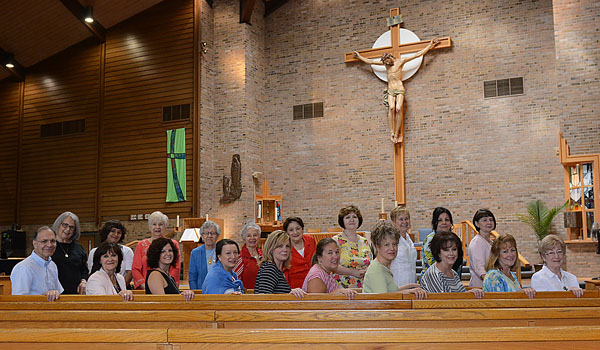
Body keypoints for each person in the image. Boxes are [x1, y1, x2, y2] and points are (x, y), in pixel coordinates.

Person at [353, 38, 440, 143]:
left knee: (398, 108)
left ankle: (397, 132)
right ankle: (391, 132)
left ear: (390, 57)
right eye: (384, 63)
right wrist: (359, 57)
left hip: (399, 89)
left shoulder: (400, 62)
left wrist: (430, 45)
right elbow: (371, 61)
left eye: (386, 61)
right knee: (391, 107)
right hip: (390, 89)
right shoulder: (386, 64)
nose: (385, 64)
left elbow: (417, 55)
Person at [363, 221, 427, 299]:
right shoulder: (377, 269)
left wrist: (413, 286)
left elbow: (391, 291)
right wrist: (408, 291)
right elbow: (383, 297)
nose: (392, 249)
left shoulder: (383, 267)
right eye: (387, 245)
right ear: (378, 247)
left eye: (394, 244)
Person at [419, 231, 484, 298]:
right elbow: (444, 303)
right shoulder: (433, 274)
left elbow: (459, 295)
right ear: (438, 252)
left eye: (454, 249)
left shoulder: (453, 273)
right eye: (446, 250)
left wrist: (471, 292)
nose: (451, 253)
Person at [11, 226, 63, 301]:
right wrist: (43, 297)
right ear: (35, 244)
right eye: (44, 241)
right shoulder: (24, 268)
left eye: (53, 241)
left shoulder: (52, 265)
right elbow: (18, 301)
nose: (49, 245)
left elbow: (57, 293)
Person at [132, 211, 181, 290]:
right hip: (144, 288)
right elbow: (135, 269)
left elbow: (176, 267)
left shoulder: (173, 244)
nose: (157, 227)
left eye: (161, 224)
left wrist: (167, 285)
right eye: (154, 224)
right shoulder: (141, 245)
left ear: (165, 227)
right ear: (149, 227)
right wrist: (146, 287)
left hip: (167, 287)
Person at [254, 230, 306, 299]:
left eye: (287, 246)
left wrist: (291, 292)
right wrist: (289, 294)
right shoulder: (269, 268)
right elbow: (264, 299)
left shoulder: (277, 269)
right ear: (271, 248)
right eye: (280, 246)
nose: (285, 249)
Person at [483, 234, 536, 298]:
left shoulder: (512, 275)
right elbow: (500, 303)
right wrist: (521, 293)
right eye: (505, 252)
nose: (510, 255)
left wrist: (526, 292)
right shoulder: (493, 276)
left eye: (513, 250)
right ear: (497, 255)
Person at [332, 205, 372, 289]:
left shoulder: (364, 241)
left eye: (354, 217)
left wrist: (367, 269)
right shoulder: (336, 241)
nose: (352, 220)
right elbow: (331, 265)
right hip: (343, 287)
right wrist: (352, 272)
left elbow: (372, 262)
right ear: (342, 221)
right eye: (347, 217)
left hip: (364, 285)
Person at [87, 220, 134, 287]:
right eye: (113, 231)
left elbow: (130, 272)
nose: (116, 234)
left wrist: (119, 287)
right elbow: (92, 272)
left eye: (119, 232)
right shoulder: (94, 251)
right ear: (106, 232)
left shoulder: (127, 251)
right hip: (100, 285)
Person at [51, 212, 88, 294]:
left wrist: (83, 281)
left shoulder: (79, 248)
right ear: (58, 225)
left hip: (75, 293)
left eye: (72, 227)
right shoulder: (49, 247)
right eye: (65, 225)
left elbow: (84, 270)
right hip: (54, 293)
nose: (67, 229)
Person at [421, 207, 463, 278]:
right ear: (435, 223)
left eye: (447, 220)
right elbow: (434, 265)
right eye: (440, 220)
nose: (444, 223)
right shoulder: (430, 240)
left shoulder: (455, 239)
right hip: (434, 279)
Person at [285, 216, 316, 289]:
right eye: (291, 230)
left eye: (298, 228)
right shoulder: (285, 246)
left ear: (302, 229)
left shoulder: (311, 240)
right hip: (295, 287)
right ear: (287, 233)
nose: (295, 232)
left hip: (314, 283)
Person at [388, 207, 417, 286]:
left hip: (411, 283)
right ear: (394, 222)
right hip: (398, 284)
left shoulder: (409, 239)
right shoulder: (391, 240)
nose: (404, 222)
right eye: (401, 219)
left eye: (407, 218)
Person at [188, 220, 220, 290]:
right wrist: (196, 293)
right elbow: (192, 277)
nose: (209, 236)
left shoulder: (222, 250)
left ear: (217, 236)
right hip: (202, 290)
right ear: (202, 236)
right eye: (206, 233)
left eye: (212, 233)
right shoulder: (195, 253)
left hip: (220, 290)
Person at [468, 209, 496, 287]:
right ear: (477, 224)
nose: (489, 222)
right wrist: (491, 282)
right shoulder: (477, 242)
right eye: (485, 220)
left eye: (491, 220)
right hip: (481, 287)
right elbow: (479, 267)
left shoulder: (492, 242)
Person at [233, 222, 262, 289]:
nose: (252, 238)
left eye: (255, 235)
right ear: (244, 239)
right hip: (247, 296)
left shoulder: (264, 256)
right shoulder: (240, 257)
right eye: (248, 236)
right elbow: (235, 280)